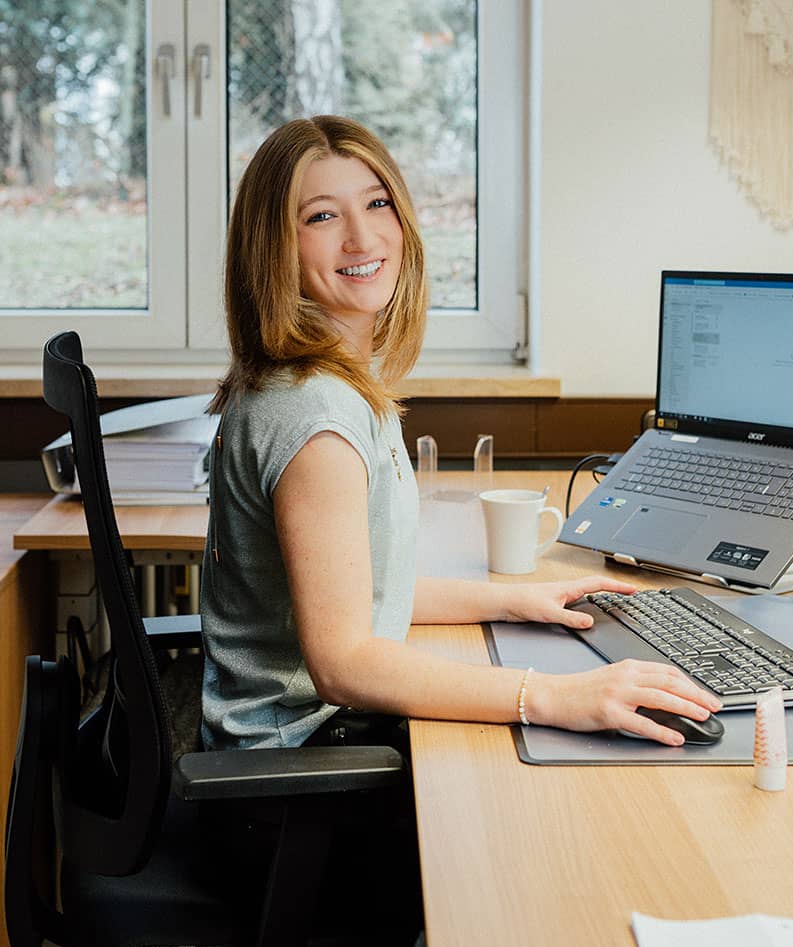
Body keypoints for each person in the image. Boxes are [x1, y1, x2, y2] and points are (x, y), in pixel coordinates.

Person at [201, 114, 721, 755]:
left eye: (377, 203)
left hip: (299, 739)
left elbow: (364, 592)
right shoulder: (318, 423)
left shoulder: (327, 381)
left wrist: (515, 602)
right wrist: (553, 696)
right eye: (321, 217)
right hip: (298, 768)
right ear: (273, 247)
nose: (363, 238)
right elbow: (344, 664)